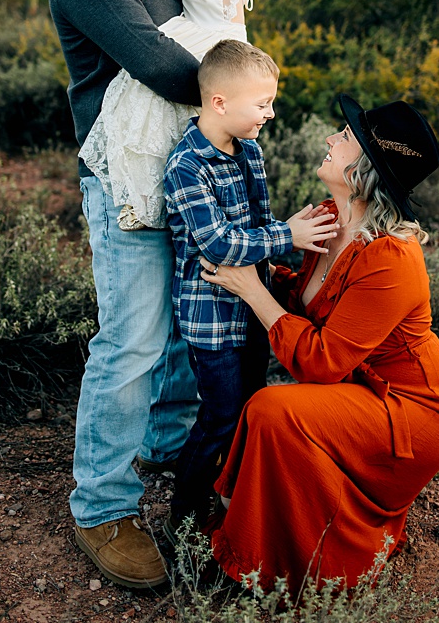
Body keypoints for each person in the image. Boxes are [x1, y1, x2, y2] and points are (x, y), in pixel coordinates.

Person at [199, 94, 439, 596]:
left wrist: (252, 290)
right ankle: (257, 535)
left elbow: (322, 362)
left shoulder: (392, 256)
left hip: (416, 410)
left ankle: (256, 567)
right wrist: (260, 265)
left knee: (275, 411)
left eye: (345, 138)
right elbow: (304, 300)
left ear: (366, 167)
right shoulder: (330, 217)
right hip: (368, 390)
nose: (330, 138)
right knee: (274, 414)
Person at [50, 0, 199, 589]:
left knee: (179, 323)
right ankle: (102, 504)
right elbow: (164, 65)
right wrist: (240, 86)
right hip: (123, 178)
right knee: (134, 335)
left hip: (184, 168)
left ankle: (163, 447)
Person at [161, 40, 337, 539]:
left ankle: (238, 498)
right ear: (219, 102)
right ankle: (185, 519)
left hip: (252, 310)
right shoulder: (187, 166)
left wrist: (289, 231)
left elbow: (258, 224)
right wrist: (287, 235)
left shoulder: (250, 151)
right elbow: (216, 243)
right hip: (211, 317)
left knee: (253, 405)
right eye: (262, 104)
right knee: (219, 415)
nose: (271, 113)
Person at [80, 0, 253, 231]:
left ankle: (141, 197)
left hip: (213, 44)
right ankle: (146, 195)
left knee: (141, 96)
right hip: (203, 38)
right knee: (155, 109)